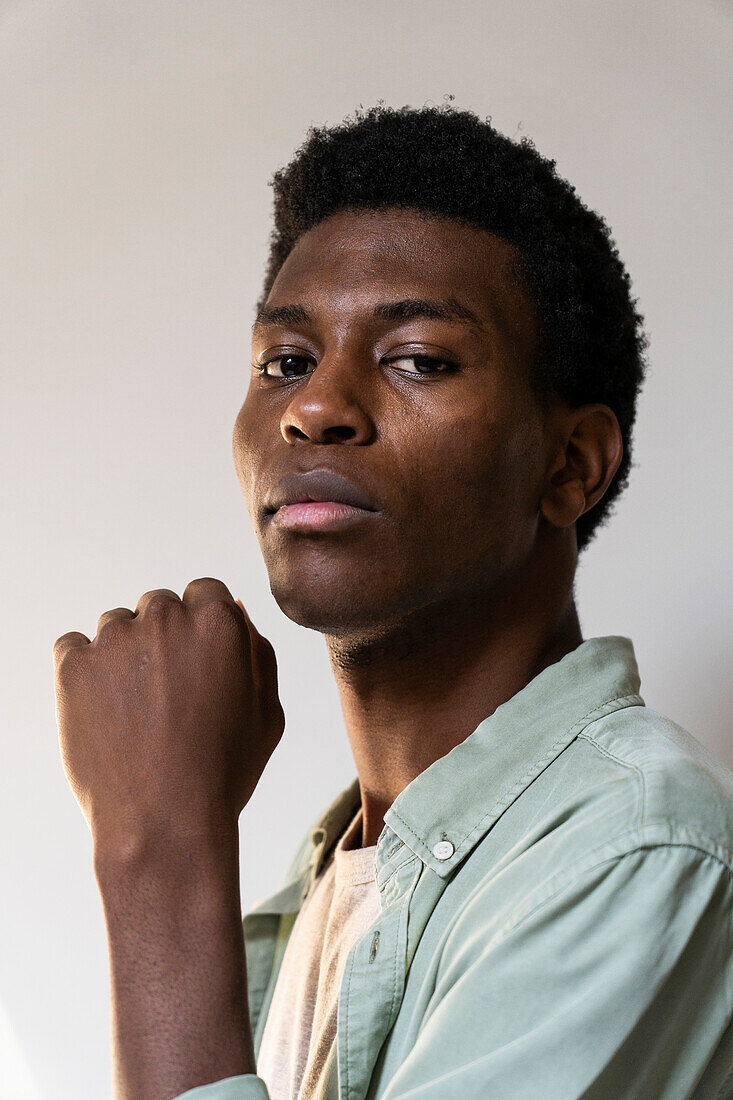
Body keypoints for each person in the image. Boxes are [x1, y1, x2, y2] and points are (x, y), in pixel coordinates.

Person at [53, 103, 733, 1100]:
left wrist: (155, 847)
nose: (314, 406)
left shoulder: (634, 845)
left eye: (417, 358)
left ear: (570, 464)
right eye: (286, 360)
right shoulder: (329, 884)